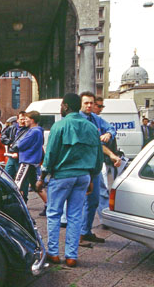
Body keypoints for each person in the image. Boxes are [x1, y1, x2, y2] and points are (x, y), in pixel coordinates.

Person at [35, 93, 103, 267]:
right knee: (75, 215)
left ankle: (54, 253)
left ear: (66, 106)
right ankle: (71, 256)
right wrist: (92, 178)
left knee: (54, 213)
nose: (60, 109)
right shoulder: (91, 127)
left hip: (62, 176)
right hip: (83, 176)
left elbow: (50, 156)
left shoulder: (59, 126)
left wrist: (42, 177)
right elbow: (98, 157)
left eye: (61, 106)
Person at [79, 91, 118, 245]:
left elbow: (111, 128)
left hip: (94, 166)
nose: (89, 106)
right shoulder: (79, 120)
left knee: (93, 200)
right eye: (86, 103)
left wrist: (108, 133)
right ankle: (79, 236)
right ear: (81, 103)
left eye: (91, 103)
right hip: (82, 166)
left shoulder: (95, 119)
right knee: (80, 201)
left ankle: (85, 231)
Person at [13, 111, 46, 206]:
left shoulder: (33, 132)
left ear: (32, 120)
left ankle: (18, 206)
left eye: (27, 119)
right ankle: (48, 204)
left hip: (27, 161)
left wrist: (18, 142)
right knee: (36, 185)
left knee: (17, 184)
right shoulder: (38, 131)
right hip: (32, 161)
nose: (25, 121)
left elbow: (20, 144)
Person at [3, 111, 28, 179]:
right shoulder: (12, 128)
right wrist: (9, 142)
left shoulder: (28, 130)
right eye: (21, 119)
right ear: (17, 120)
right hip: (11, 156)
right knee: (6, 176)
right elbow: (3, 136)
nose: (23, 121)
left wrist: (17, 152)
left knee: (21, 179)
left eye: (24, 119)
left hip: (21, 158)